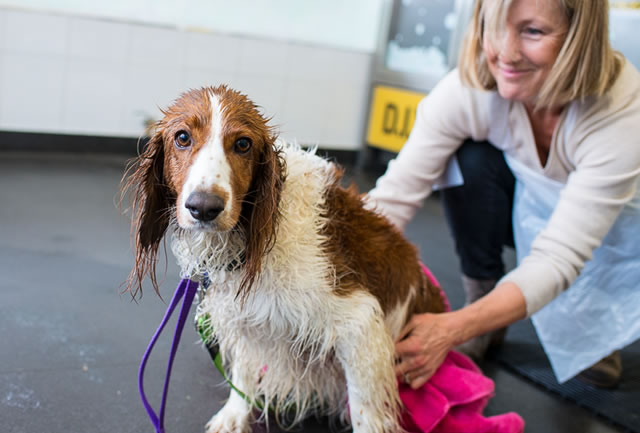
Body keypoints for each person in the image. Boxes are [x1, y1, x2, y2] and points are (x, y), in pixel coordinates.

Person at [367, 0, 640, 390]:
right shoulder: (469, 89)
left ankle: (595, 330)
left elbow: (561, 254)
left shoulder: (621, 110)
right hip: (533, 204)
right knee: (469, 159)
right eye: (493, 27)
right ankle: (485, 304)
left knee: (587, 329)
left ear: (579, 36)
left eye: (532, 32)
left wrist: (449, 329)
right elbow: (393, 199)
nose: (505, 53)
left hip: (620, 230)